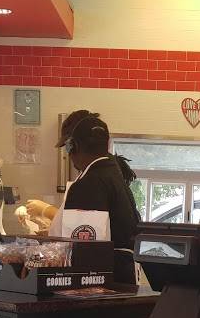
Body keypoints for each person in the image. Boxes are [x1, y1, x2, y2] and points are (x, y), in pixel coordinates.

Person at [54, 110, 141, 283]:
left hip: (106, 281)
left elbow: (85, 251)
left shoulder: (89, 183)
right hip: (121, 275)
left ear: (73, 146)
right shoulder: (111, 173)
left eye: (67, 148)